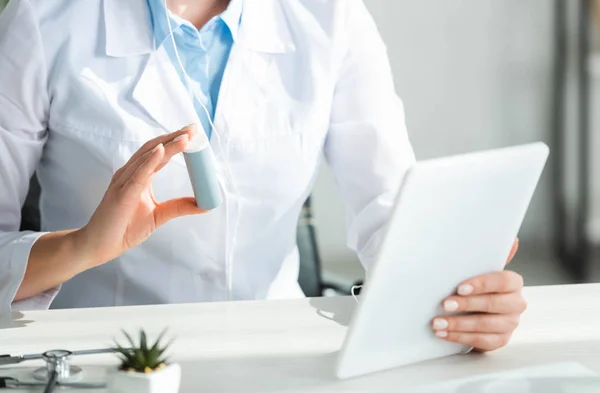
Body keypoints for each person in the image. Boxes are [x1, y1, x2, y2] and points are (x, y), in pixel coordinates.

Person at [0, 0, 526, 351]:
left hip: (274, 348)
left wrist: (454, 294)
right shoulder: (45, 19)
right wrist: (84, 247)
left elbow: (390, 207)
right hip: (102, 356)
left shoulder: (331, 16)